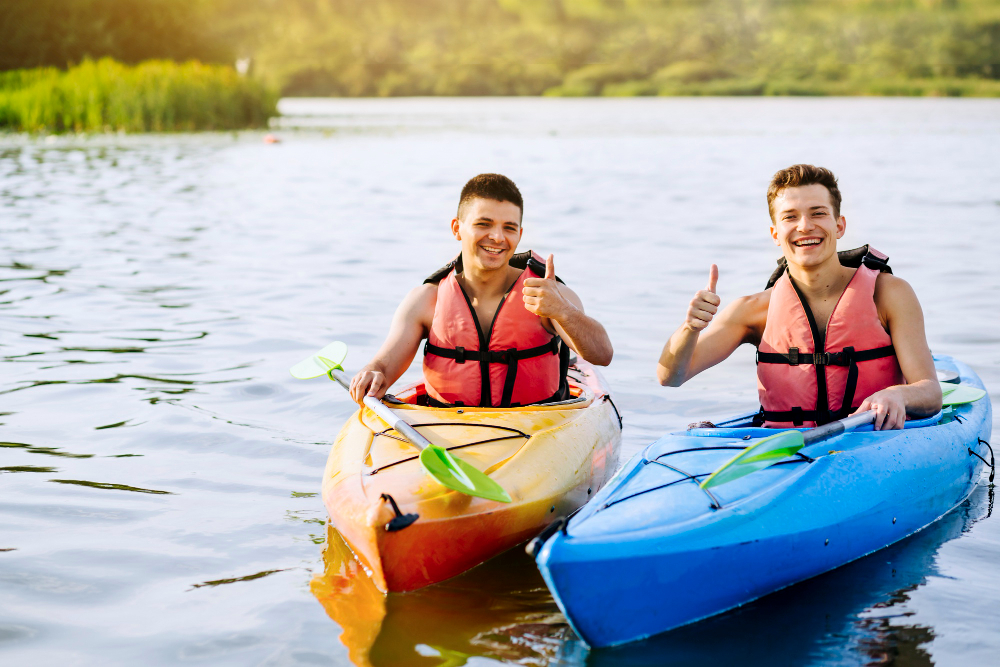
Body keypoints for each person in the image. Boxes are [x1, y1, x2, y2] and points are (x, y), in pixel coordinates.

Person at [656, 164, 941, 430]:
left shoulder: (890, 293)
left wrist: (898, 395)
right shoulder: (752, 311)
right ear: (775, 234)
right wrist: (690, 328)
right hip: (788, 452)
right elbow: (670, 377)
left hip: (872, 441)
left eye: (818, 213)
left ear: (839, 225)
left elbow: (929, 392)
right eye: (790, 217)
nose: (804, 226)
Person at [350, 173, 613, 407]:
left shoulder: (548, 295)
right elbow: (384, 366)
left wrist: (564, 312)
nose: (497, 237)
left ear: (519, 235)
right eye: (483, 224)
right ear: (457, 228)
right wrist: (373, 372)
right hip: (448, 427)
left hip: (536, 427)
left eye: (508, 228)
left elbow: (602, 355)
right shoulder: (426, 300)